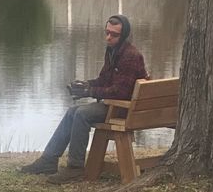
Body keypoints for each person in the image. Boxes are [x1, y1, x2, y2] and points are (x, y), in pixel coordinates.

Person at [20, 14, 148, 174]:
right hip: (115, 105)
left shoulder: (130, 56)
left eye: (114, 35)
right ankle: (48, 160)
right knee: (72, 111)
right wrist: (86, 85)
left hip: (126, 109)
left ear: (123, 36)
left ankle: (75, 167)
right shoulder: (113, 51)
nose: (108, 37)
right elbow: (104, 79)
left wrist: (90, 92)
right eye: (107, 32)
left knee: (81, 113)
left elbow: (120, 92)